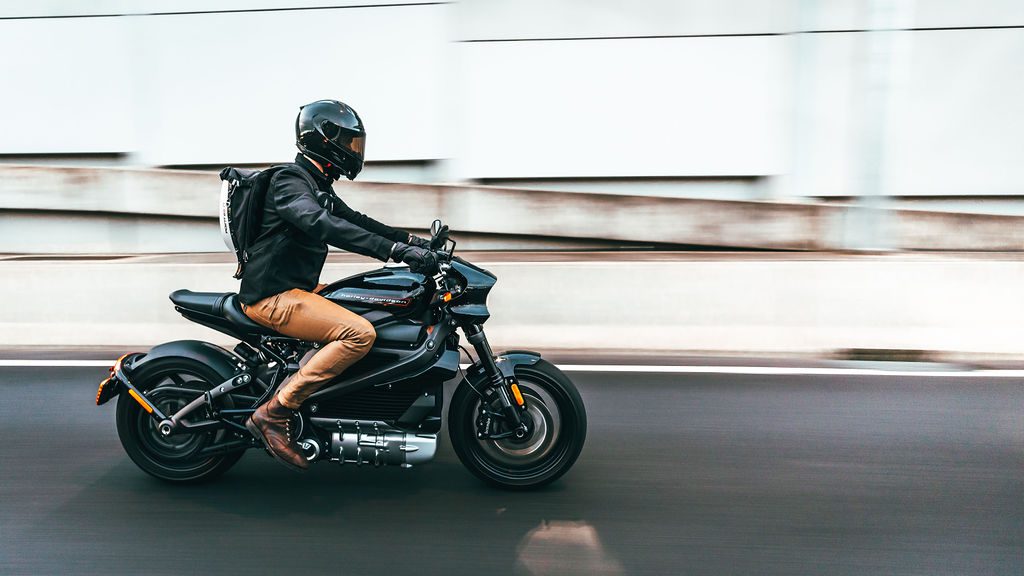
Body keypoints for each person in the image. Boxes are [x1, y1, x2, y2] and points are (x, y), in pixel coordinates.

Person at [241, 99, 437, 471]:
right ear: (324, 139)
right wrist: (393, 250)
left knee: (375, 310)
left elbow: (358, 222)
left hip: (298, 290)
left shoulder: (317, 183)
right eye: (349, 143)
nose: (354, 152)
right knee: (358, 334)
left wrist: (411, 243)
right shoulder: (289, 181)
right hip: (273, 297)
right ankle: (274, 413)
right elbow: (319, 223)